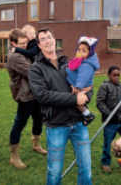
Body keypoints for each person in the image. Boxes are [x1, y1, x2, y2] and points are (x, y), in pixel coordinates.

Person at [28, 28, 93, 185]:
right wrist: (74, 99)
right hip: (56, 125)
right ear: (39, 45)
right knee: (55, 171)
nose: (47, 40)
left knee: (86, 168)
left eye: (49, 37)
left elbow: (87, 82)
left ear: (54, 39)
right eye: (43, 39)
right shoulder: (36, 69)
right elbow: (44, 96)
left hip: (78, 123)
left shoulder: (69, 62)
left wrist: (85, 97)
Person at [7, 28, 47, 169]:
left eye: (26, 42)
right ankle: (14, 156)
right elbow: (32, 73)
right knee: (20, 123)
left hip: (35, 94)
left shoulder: (23, 52)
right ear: (13, 43)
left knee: (38, 119)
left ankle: (36, 144)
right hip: (25, 96)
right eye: (21, 43)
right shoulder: (15, 57)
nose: (25, 45)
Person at [96, 65, 121, 173]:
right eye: (114, 75)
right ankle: (105, 162)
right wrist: (109, 114)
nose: (116, 77)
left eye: (118, 75)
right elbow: (99, 103)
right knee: (108, 143)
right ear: (109, 75)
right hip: (110, 122)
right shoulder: (104, 87)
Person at [66, 36, 99, 126]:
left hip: (83, 89)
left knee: (74, 102)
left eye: (84, 51)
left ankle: (88, 115)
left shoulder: (86, 65)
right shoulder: (79, 60)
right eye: (79, 50)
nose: (80, 52)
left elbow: (82, 77)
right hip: (79, 86)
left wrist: (78, 87)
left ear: (90, 53)